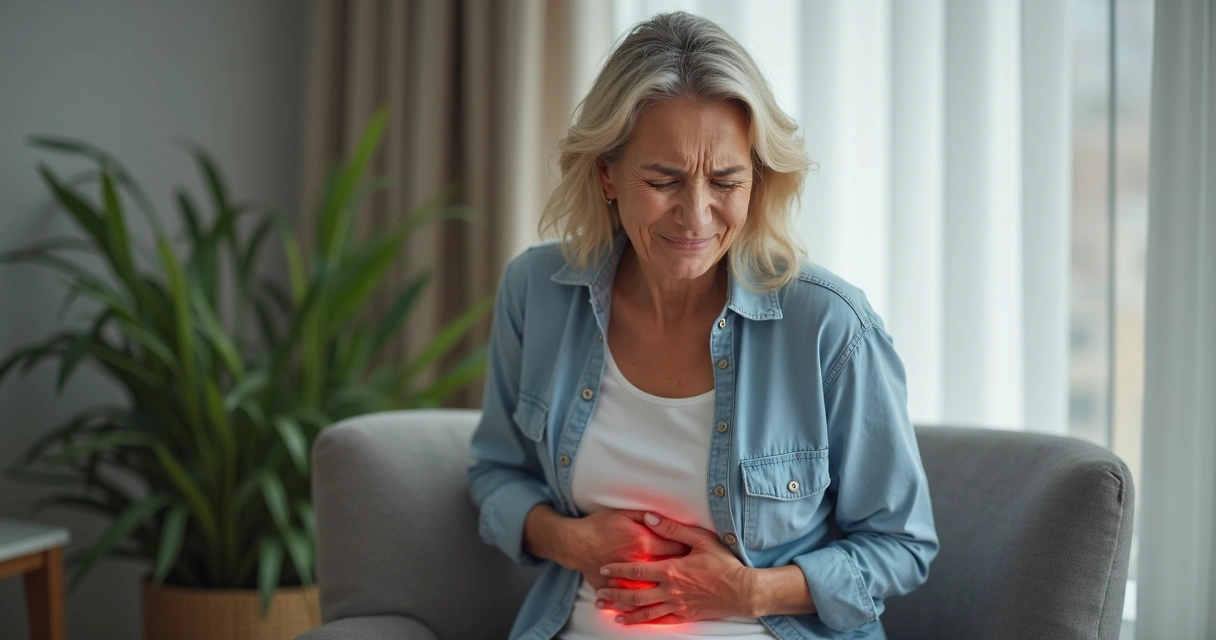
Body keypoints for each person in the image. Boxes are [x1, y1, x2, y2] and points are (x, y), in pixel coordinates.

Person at [468, 11, 937, 640]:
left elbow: (903, 545)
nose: (695, 215)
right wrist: (570, 541)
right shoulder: (537, 292)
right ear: (607, 174)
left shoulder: (830, 326)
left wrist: (747, 590)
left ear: (758, 180)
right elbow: (495, 473)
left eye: (726, 181)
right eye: (662, 180)